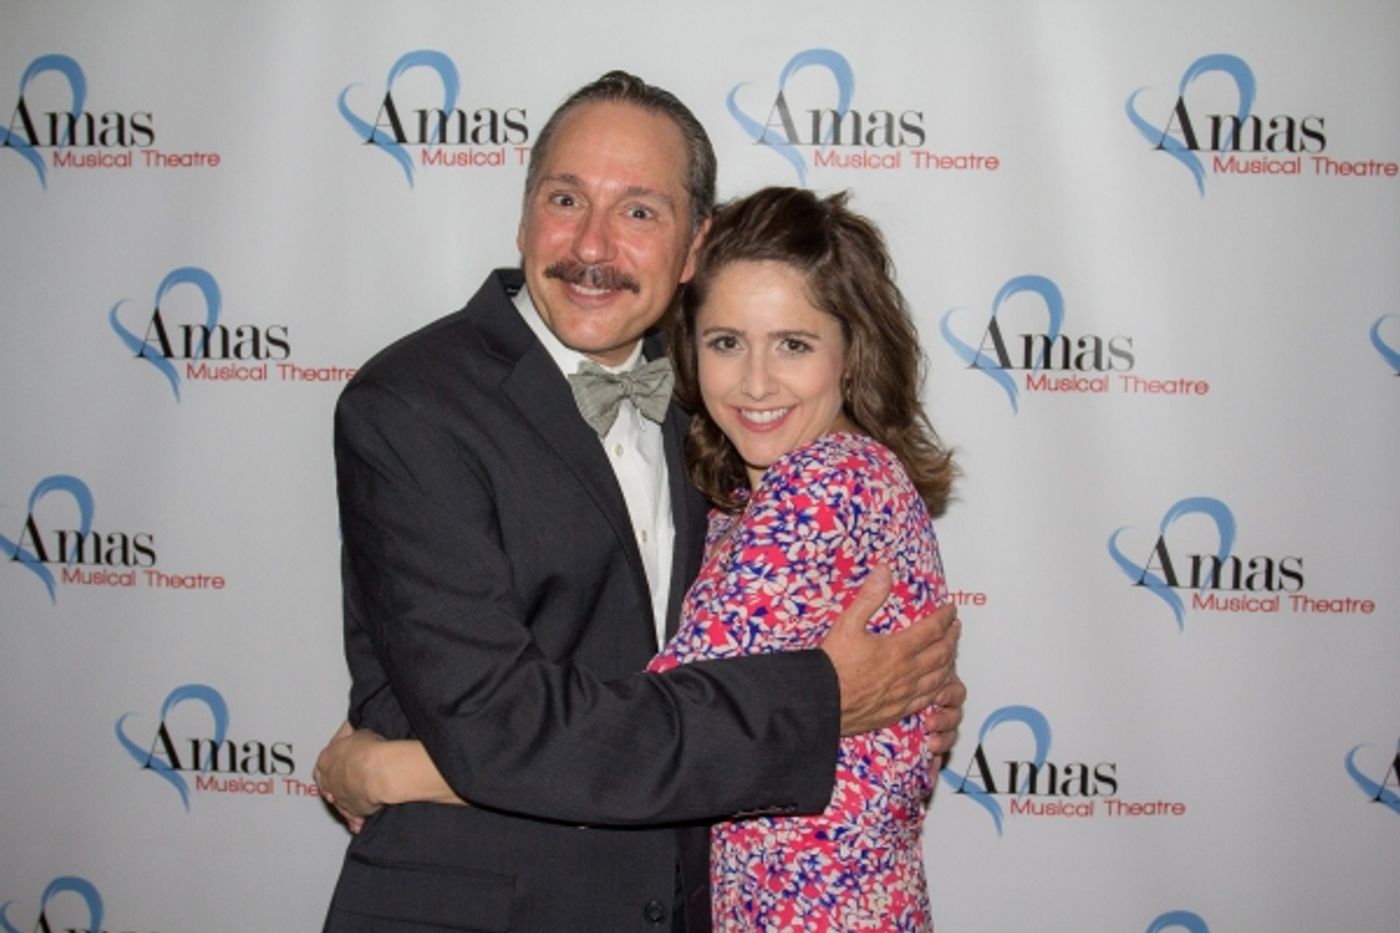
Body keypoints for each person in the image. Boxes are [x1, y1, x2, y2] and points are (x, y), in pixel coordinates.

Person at [319, 71, 964, 932]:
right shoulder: (411, 406)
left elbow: (761, 655)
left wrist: (381, 768)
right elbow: (496, 726)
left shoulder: (717, 397)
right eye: (565, 199)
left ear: (695, 245)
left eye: (639, 211)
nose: (592, 244)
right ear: (523, 215)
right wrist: (826, 703)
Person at [649, 186, 953, 930]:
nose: (756, 381)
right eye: (727, 342)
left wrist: (406, 770)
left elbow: (651, 736)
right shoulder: (746, 501)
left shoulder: (827, 482)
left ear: (851, 352)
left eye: (793, 344)